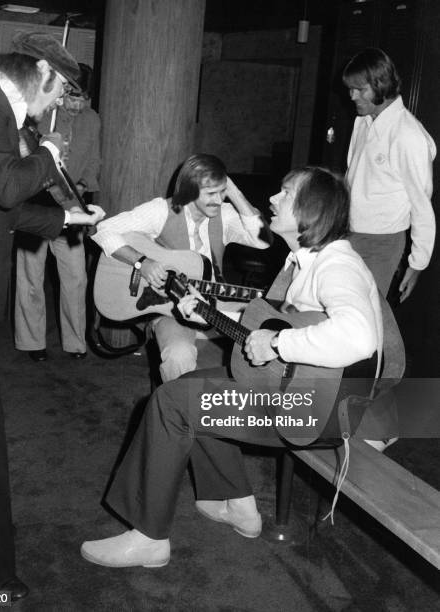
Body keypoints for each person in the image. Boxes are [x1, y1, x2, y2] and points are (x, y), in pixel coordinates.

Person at [80, 166, 382, 568]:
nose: (273, 199)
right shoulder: (304, 261)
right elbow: (263, 325)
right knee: (193, 385)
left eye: (286, 194)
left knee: (171, 403)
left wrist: (278, 342)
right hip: (301, 395)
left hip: (313, 411)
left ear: (311, 210)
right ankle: (238, 505)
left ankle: (148, 538)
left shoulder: (335, 266)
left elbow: (359, 337)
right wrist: (205, 314)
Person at [0, 33, 105, 599]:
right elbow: (8, 184)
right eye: (59, 87)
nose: (57, 100)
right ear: (40, 71)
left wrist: (69, 224)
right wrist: (49, 156)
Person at [92, 153, 270, 382]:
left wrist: (234, 192)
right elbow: (103, 230)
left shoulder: (224, 214)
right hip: (169, 310)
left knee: (264, 329)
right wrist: (141, 262)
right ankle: (178, 408)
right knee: (178, 355)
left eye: (221, 192)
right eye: (210, 193)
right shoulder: (161, 210)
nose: (218, 200)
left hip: (217, 303)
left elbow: (263, 241)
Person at [14, 63, 101, 362]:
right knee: (31, 277)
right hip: (37, 204)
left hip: (72, 206)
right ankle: (31, 341)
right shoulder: (41, 116)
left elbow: (94, 161)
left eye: (84, 98)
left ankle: (76, 342)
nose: (78, 104)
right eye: (73, 96)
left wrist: (82, 182)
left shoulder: (92, 120)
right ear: (62, 93)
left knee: (76, 278)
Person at [343, 47, 436, 301]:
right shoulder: (362, 121)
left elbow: (421, 205)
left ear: (381, 85)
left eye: (359, 90)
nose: (352, 96)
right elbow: (353, 178)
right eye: (350, 89)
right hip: (348, 233)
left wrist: (417, 263)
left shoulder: (408, 135)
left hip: (381, 243)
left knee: (361, 316)